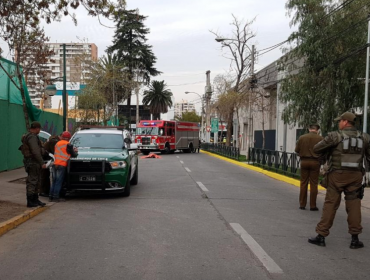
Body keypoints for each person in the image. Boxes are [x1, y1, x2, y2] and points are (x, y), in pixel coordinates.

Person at [308, 112, 370, 249]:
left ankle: (321, 236)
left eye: (340, 121)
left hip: (337, 175)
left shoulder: (335, 136)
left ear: (346, 122)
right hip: (355, 176)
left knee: (330, 204)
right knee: (354, 206)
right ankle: (355, 239)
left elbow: (317, 148)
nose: (338, 123)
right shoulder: (365, 137)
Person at [295, 123, 323, 211]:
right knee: (314, 184)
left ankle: (302, 204)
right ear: (317, 130)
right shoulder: (320, 139)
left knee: (303, 183)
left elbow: (297, 150)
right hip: (315, 162)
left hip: (304, 161)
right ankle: (313, 205)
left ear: (309, 129)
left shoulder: (302, 137)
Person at [19, 121, 47, 207]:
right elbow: (35, 151)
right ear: (37, 129)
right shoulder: (32, 137)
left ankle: (35, 199)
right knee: (33, 181)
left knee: (37, 180)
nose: (39, 131)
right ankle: (30, 200)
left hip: (33, 162)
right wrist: (42, 162)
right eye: (39, 129)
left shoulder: (30, 136)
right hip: (33, 162)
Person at [49, 131, 78, 202]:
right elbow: (73, 154)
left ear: (62, 137)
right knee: (59, 181)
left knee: (54, 181)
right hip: (62, 165)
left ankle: (51, 196)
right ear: (69, 138)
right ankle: (56, 197)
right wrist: (76, 151)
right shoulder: (68, 144)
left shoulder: (57, 143)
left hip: (55, 164)